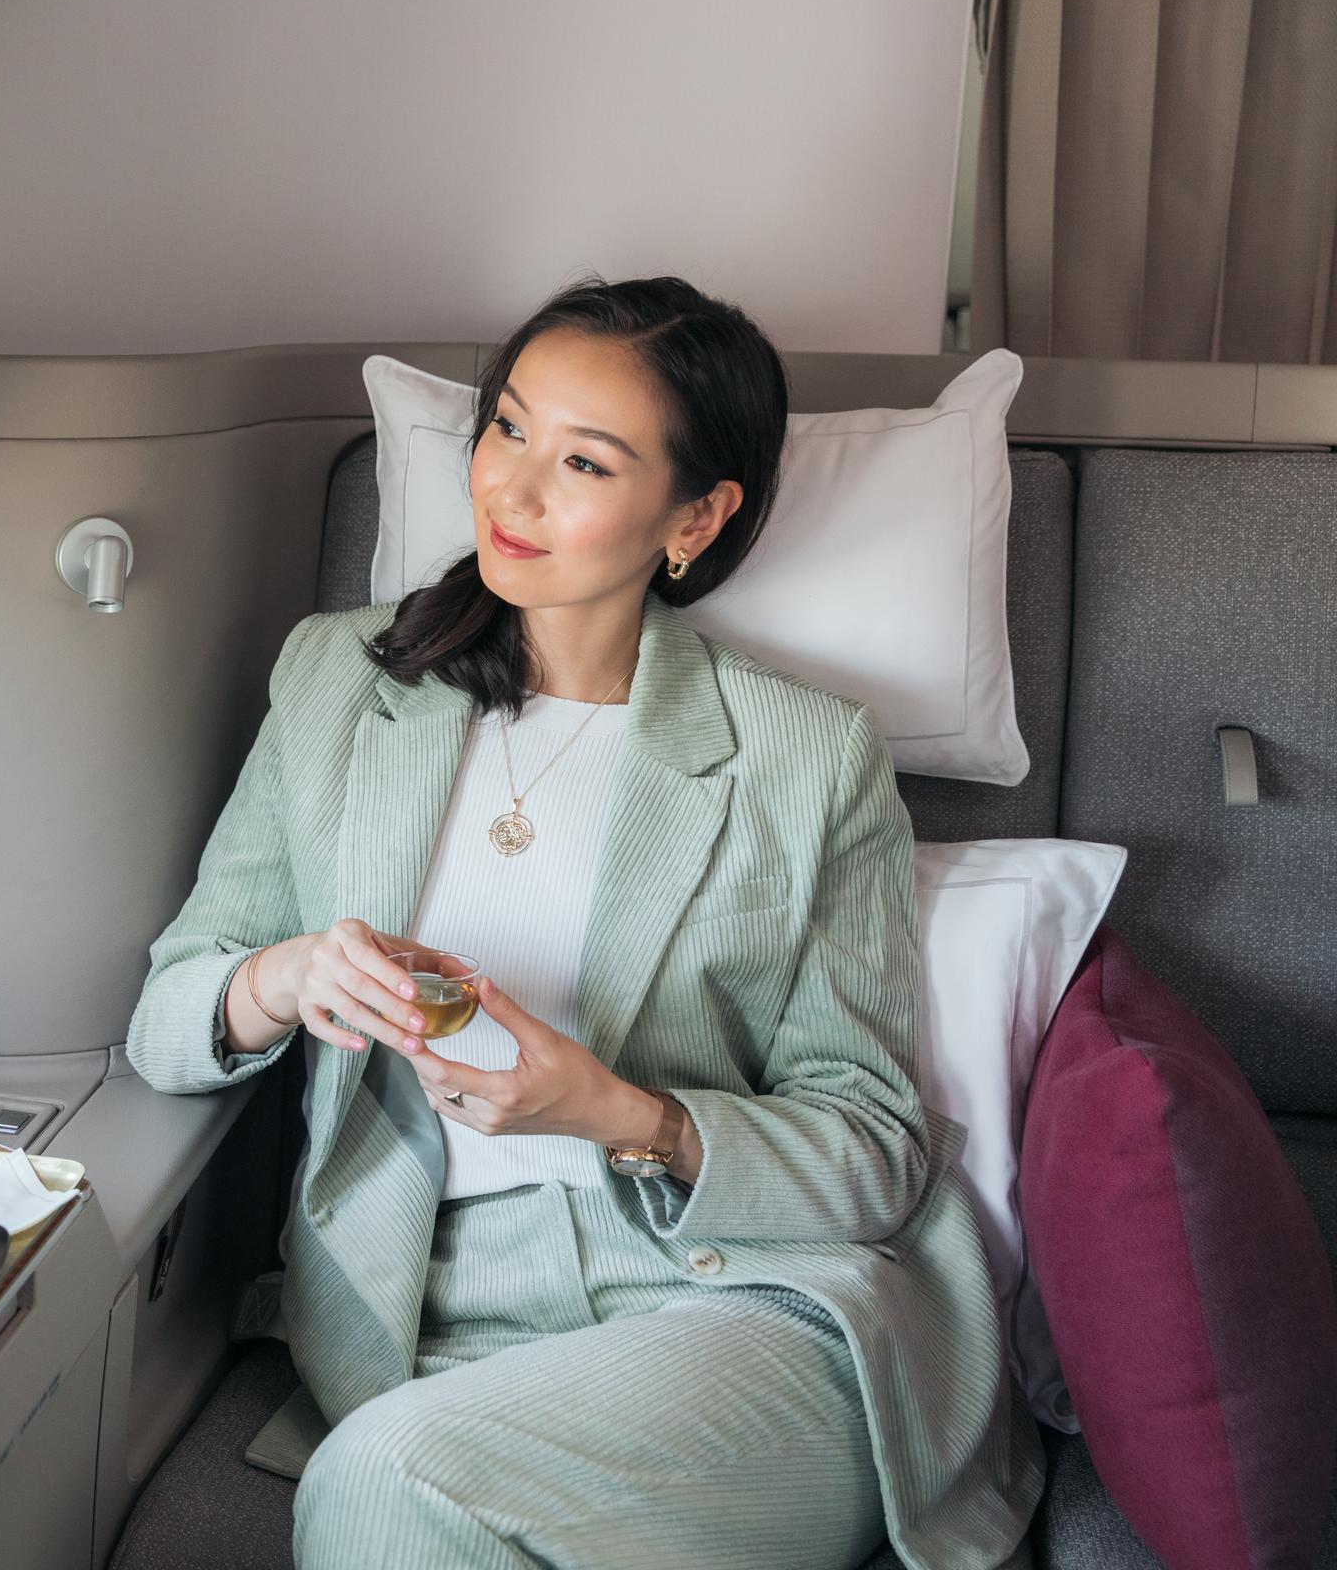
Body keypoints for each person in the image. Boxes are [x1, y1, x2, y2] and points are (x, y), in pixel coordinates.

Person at [124, 275, 1041, 1569]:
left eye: (585, 462)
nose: (513, 488)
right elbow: (167, 1023)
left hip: (739, 1301)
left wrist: (623, 1116)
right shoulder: (339, 681)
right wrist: (283, 980)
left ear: (698, 514)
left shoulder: (805, 758)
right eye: (507, 428)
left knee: (377, 1490)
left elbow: (874, 1154)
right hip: (426, 1316)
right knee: (402, 1488)